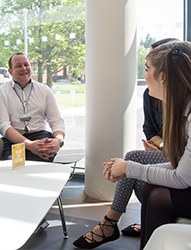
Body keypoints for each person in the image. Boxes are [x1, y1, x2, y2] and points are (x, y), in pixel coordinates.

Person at [73, 38, 180, 249]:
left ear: (164, 74)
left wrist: (131, 167)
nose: (143, 76)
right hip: (166, 152)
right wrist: (162, 146)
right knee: (137, 172)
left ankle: (109, 223)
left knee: (133, 159)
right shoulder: (153, 96)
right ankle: (118, 223)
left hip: (171, 155)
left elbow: (182, 168)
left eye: (148, 68)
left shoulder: (184, 110)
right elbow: (149, 130)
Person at [0, 52, 65, 162]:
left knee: (45, 153)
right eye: (18, 66)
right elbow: (3, 126)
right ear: (10, 71)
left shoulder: (44, 91)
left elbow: (56, 120)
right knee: (15, 165)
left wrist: (59, 141)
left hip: (40, 136)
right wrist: (29, 145)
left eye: (26, 65)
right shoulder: (1, 93)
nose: (23, 68)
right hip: (14, 140)